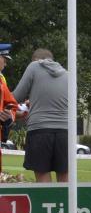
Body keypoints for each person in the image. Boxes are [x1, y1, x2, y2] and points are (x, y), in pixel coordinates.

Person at [12, 48, 69, 183]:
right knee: (64, 175)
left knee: (43, 175)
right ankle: (65, 204)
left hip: (40, 130)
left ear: (36, 60)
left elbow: (16, 96)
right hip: (65, 132)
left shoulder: (34, 66)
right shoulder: (67, 74)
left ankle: (48, 203)